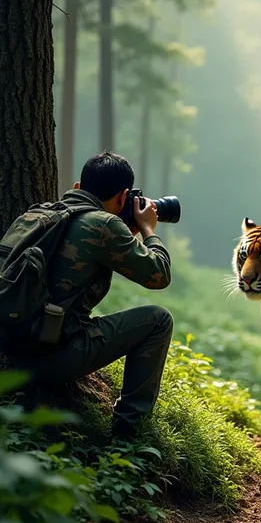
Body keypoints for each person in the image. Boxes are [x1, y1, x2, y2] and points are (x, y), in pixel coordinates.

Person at [18, 151, 173, 439]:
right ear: (124, 196)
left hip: (11, 346)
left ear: (79, 187)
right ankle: (129, 433)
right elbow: (159, 275)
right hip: (50, 357)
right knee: (159, 320)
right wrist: (148, 229)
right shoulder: (103, 225)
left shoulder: (38, 213)